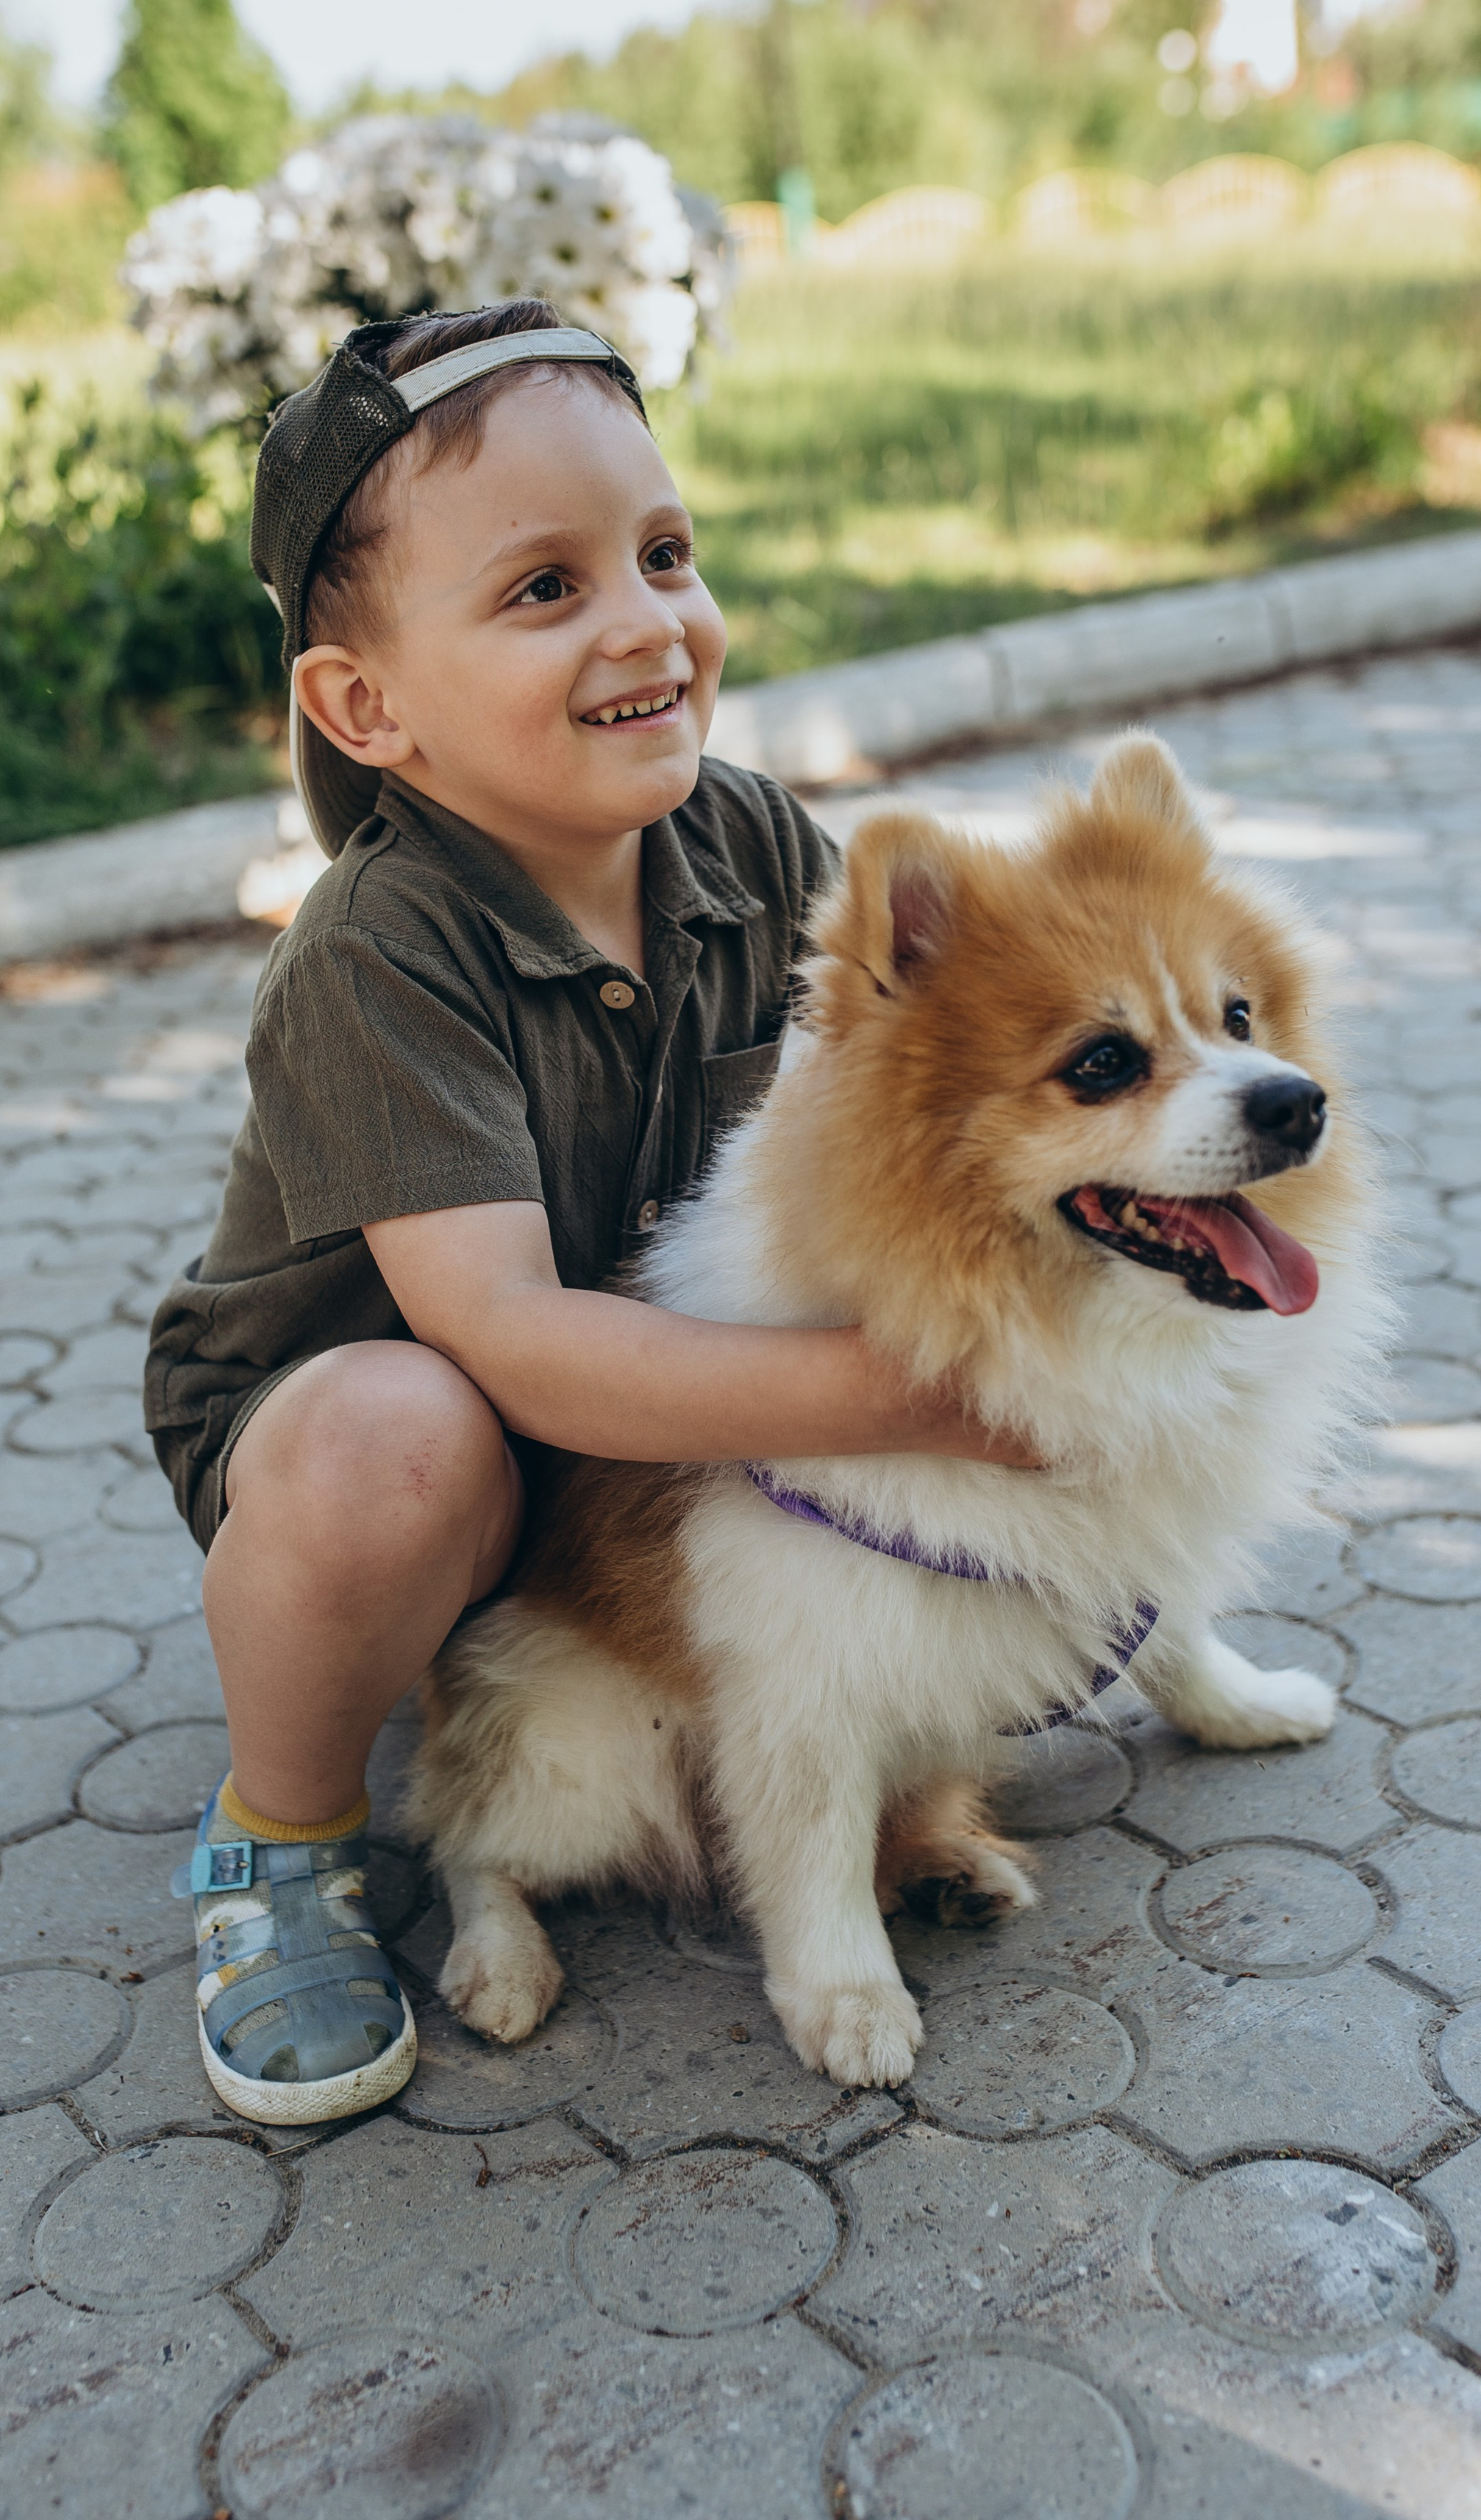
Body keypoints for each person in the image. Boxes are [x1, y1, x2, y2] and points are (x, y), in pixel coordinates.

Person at [144, 297, 1041, 2127]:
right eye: (543, 590)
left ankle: (824, 1749)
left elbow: (884, 1145)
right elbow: (516, 1342)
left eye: (662, 553)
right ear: (364, 704)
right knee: (413, 1440)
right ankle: (283, 1841)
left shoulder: (755, 846)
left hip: (620, 1449)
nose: (643, 620)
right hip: (366, 1436)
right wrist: (924, 1401)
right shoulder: (379, 953)